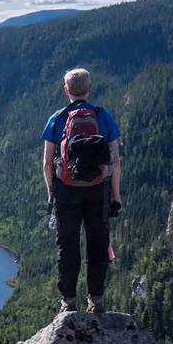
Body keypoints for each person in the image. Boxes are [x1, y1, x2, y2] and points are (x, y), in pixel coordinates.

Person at [41, 68, 121, 314]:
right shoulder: (102, 116)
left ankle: (68, 302)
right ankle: (95, 301)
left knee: (68, 247)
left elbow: (46, 163)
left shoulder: (57, 118)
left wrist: (51, 193)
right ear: (90, 88)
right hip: (99, 189)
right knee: (98, 244)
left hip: (66, 190)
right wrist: (115, 195)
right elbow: (115, 160)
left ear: (66, 90)